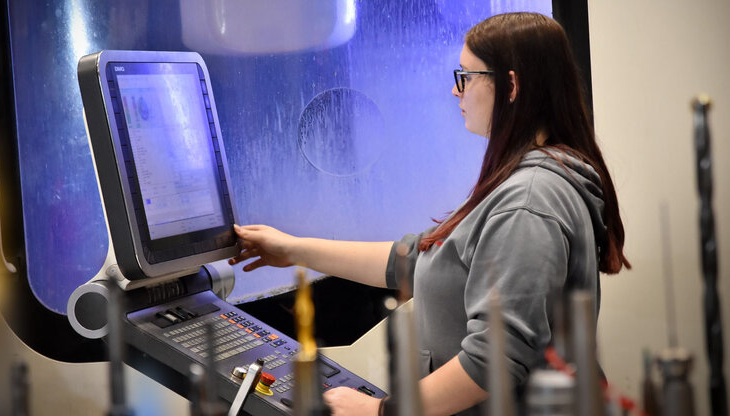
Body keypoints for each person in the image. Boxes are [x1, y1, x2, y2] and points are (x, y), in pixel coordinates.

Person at [229, 12, 630, 416]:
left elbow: (495, 359)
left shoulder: (529, 201)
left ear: (510, 86)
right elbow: (415, 259)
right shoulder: (523, 178)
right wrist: (293, 249)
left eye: (467, 77)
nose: (456, 91)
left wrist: (379, 411)